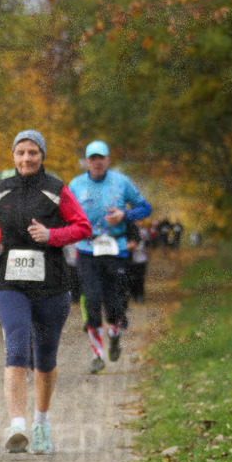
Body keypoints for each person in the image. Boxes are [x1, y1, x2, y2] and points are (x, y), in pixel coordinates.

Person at [0, 130, 91, 454]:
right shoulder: (0, 191)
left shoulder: (57, 190)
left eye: (32, 152)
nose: (26, 158)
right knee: (15, 343)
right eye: (20, 153)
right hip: (9, 282)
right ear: (13, 156)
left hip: (51, 284)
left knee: (45, 357)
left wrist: (51, 234)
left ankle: (41, 422)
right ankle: (17, 426)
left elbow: (83, 227)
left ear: (42, 155)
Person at [68, 140, 151, 374]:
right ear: (86, 161)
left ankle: (114, 335)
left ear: (108, 160)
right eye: (92, 158)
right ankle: (97, 356)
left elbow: (146, 208)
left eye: (100, 157)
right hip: (87, 250)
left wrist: (125, 214)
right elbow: (64, 214)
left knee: (114, 304)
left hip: (116, 250)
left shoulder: (121, 182)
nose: (96, 162)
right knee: (92, 300)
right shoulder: (75, 185)